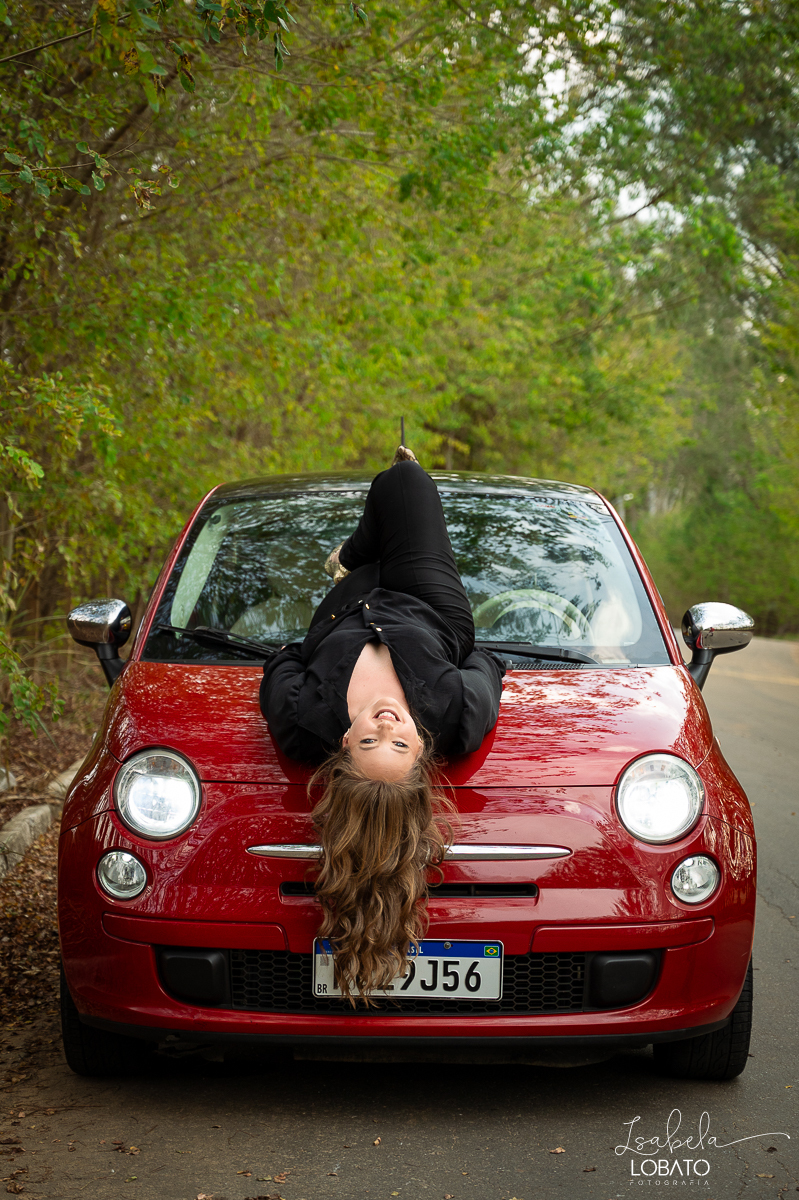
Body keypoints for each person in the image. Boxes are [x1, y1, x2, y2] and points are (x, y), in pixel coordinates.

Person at [259, 447, 504, 1002]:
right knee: (405, 479)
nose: (388, 723)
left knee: (388, 509)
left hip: (343, 608)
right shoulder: (457, 715)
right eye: (400, 742)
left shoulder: (303, 722)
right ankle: (354, 552)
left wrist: (318, 650)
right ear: (422, 750)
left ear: (345, 743)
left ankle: (352, 560)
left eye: (372, 739)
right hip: (429, 606)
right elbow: (486, 663)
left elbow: (282, 663)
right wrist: (448, 657)